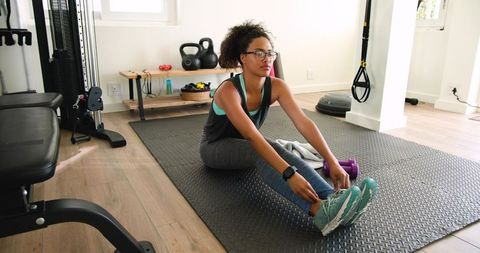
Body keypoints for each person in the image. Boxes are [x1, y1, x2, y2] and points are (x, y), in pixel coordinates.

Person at [199, 21, 378, 236]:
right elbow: (252, 136)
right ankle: (318, 211)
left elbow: (304, 122)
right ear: (242, 57)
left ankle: (334, 201)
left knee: (274, 148)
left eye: (270, 53)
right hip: (214, 149)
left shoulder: (276, 86)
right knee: (264, 147)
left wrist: (332, 161)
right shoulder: (229, 91)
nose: (267, 59)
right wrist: (289, 174)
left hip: (246, 147)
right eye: (258, 53)